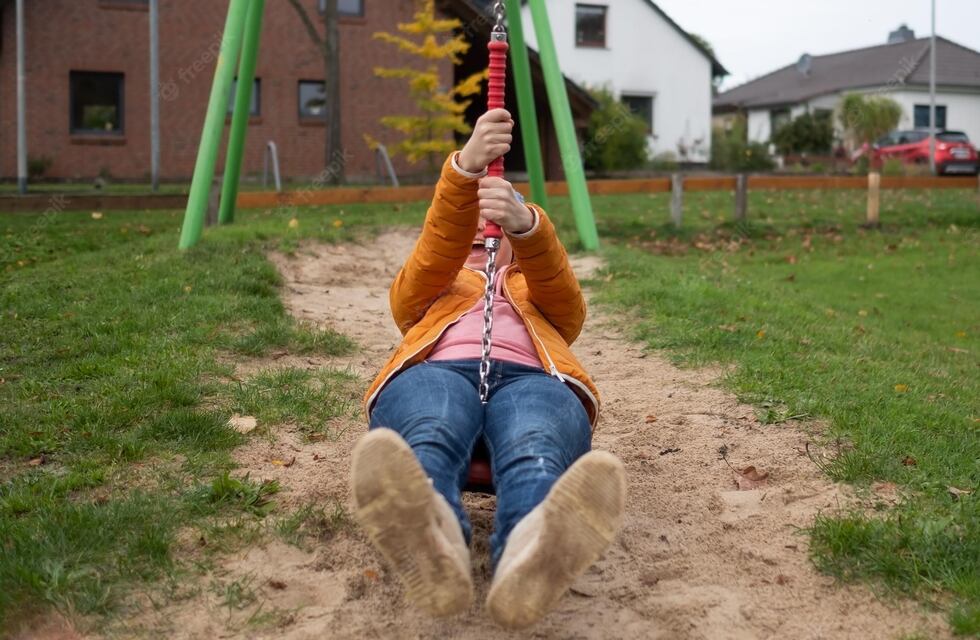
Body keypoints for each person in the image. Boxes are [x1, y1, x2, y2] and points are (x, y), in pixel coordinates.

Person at [350, 108, 627, 630]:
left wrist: (528, 228)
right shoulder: (443, 279)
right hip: (440, 370)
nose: (486, 225)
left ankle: (529, 550)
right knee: (430, 428)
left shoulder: (529, 277)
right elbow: (420, 276)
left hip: (531, 378)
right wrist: (465, 172)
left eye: (497, 212)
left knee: (535, 444)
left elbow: (568, 311)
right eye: (474, 221)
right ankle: (433, 538)